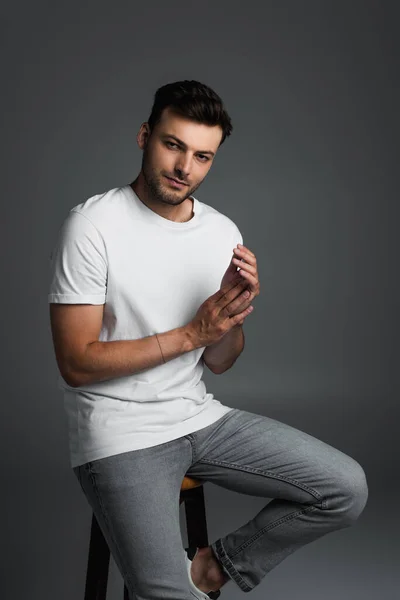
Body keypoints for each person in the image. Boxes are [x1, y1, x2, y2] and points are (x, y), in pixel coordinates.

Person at [48, 79, 368, 600]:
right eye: (172, 146)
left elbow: (219, 361)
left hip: (198, 418)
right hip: (119, 433)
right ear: (144, 136)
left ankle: (213, 569)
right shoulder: (92, 225)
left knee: (345, 489)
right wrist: (192, 331)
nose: (184, 169)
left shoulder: (222, 231)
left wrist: (231, 317)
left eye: (202, 156)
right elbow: (76, 363)